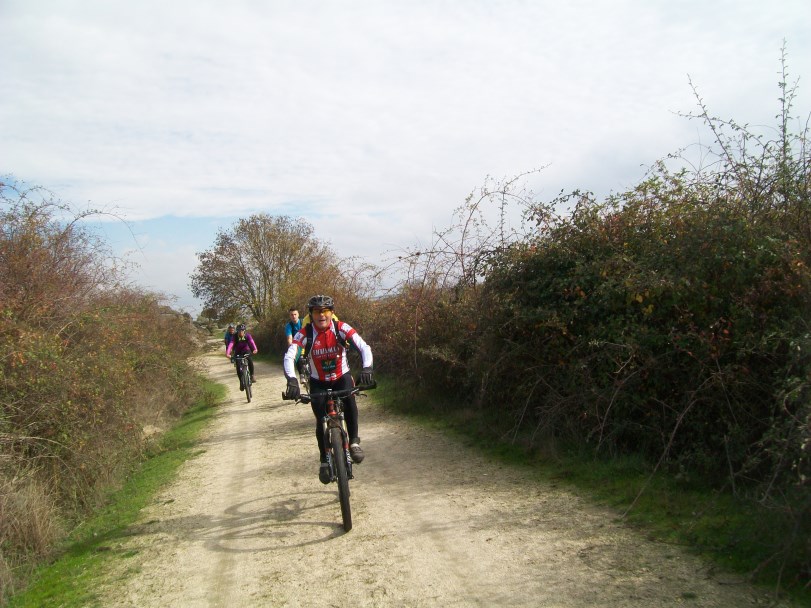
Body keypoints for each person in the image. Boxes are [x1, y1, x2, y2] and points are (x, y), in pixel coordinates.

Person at [283, 295, 373, 484]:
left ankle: (354, 442)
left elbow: (363, 347)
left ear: (332, 313)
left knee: (350, 403)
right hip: (319, 381)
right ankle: (324, 459)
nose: (321, 315)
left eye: (325, 311)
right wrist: (292, 380)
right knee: (320, 418)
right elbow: (290, 356)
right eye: (317, 312)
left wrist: (367, 368)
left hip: (341, 377)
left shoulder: (341, 328)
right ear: (311, 315)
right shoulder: (305, 334)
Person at [225, 324, 258, 390]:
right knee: (238, 366)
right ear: (237, 331)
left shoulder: (247, 335)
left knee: (250, 360)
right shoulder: (235, 336)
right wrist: (228, 353)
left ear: (244, 330)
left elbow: (252, 342)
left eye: (242, 330)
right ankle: (241, 382)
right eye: (239, 330)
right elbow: (231, 344)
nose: (240, 332)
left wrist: (255, 349)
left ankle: (252, 375)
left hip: (246, 350)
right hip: (238, 352)